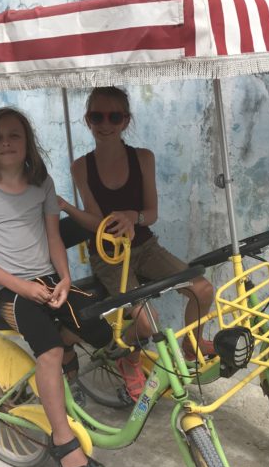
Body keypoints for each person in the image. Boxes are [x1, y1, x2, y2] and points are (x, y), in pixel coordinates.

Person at [0, 107, 110, 467]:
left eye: (15, 135)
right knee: (49, 351)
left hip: (47, 281)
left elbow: (54, 239)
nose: (7, 143)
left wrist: (63, 278)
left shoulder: (41, 184)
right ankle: (63, 440)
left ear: (27, 141)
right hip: (11, 291)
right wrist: (23, 287)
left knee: (98, 325)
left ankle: (69, 367)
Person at [58, 86, 215, 401]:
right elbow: (95, 222)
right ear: (87, 120)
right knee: (146, 325)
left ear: (126, 120)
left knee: (202, 290)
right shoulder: (81, 167)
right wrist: (65, 207)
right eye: (96, 116)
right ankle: (127, 357)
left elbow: (152, 213)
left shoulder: (143, 158)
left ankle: (191, 343)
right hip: (110, 257)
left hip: (146, 249)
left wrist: (134, 216)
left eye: (114, 116)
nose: (105, 123)